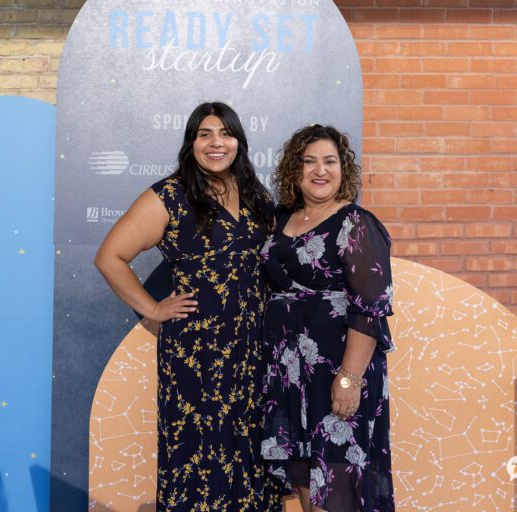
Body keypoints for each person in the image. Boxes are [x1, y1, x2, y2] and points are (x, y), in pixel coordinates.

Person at [95, 102, 281, 511]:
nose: (217, 143)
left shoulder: (255, 193)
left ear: (239, 141)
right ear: (191, 142)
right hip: (198, 352)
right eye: (205, 134)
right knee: (199, 455)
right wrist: (154, 308)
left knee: (251, 454)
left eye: (225, 134)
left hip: (254, 349)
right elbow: (110, 257)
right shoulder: (170, 195)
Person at [260, 124, 395, 511]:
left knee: (336, 486)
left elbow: (369, 307)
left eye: (330, 161)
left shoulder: (355, 223)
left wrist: (349, 379)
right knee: (303, 480)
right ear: (294, 170)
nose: (321, 171)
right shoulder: (282, 218)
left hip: (336, 371)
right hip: (288, 374)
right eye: (309, 161)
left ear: (343, 169)